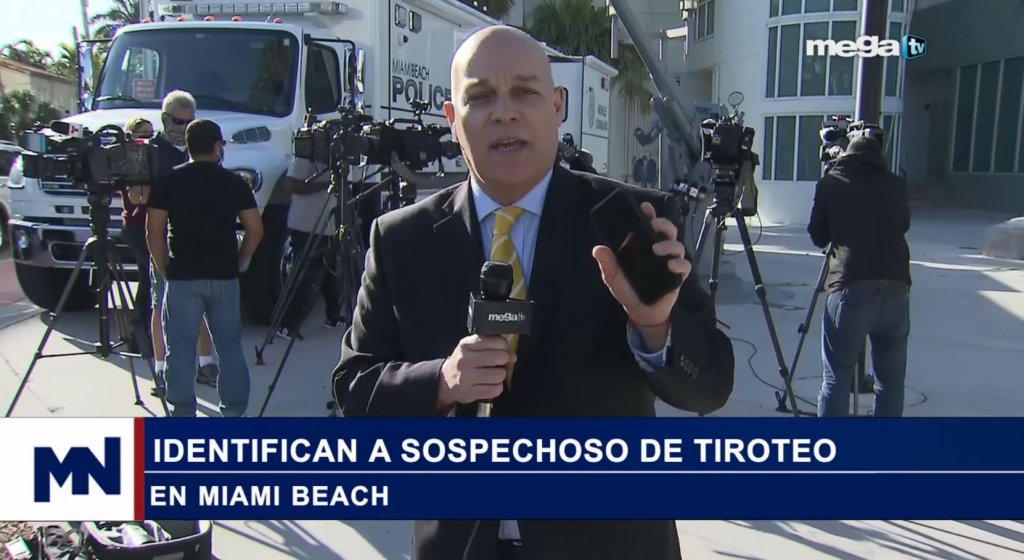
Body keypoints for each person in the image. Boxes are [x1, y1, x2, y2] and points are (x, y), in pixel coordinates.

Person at [332, 26, 734, 560]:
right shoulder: (400, 239)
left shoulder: (634, 222)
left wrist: (655, 326)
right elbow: (354, 392)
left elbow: (710, 388)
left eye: (524, 91)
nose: (504, 113)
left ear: (557, 105)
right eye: (480, 97)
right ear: (452, 119)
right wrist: (442, 383)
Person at [146, 119, 263, 417]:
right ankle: (234, 413)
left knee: (179, 348)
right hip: (223, 275)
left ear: (187, 146)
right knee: (229, 347)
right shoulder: (234, 183)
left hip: (183, 275)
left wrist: (163, 267)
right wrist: (239, 259)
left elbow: (153, 231)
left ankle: (182, 412)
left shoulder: (169, 181)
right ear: (216, 146)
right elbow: (255, 229)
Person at [808, 134, 912, 417]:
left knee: (836, 377)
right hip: (895, 286)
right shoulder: (896, 184)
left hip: (850, 287)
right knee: (891, 381)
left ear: (845, 155)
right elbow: (903, 224)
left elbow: (818, 236)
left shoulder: (830, 183)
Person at [149, 91, 221, 390]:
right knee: (161, 303)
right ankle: (161, 367)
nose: (182, 128)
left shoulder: (197, 148)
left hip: (197, 238)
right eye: (178, 122)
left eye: (188, 122)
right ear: (165, 119)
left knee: (200, 302)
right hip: (164, 236)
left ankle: (205, 363)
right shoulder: (151, 152)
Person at [276, 155, 344, 339]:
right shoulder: (306, 153)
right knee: (304, 279)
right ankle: (287, 325)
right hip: (306, 226)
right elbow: (289, 186)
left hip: (330, 225)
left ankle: (333, 317)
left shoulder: (341, 154)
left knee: (332, 274)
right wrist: (327, 184)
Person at [119, 117, 155, 329]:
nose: (147, 140)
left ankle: (143, 325)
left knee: (147, 277)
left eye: (151, 135)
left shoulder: (153, 158)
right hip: (136, 225)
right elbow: (137, 198)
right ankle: (139, 327)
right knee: (149, 276)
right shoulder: (128, 163)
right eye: (142, 135)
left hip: (151, 223)